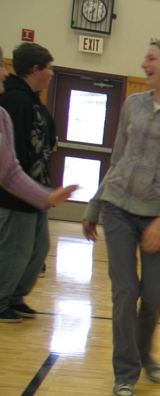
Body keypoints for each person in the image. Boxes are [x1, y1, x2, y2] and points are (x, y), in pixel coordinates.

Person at [82, 40, 160, 396]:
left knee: (153, 297)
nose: (143, 64)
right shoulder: (133, 105)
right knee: (125, 293)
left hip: (157, 217)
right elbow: (118, 159)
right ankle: (126, 372)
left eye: (151, 58)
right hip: (118, 208)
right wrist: (95, 204)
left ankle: (143, 352)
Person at [0, 42, 58, 323]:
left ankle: (15, 297)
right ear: (35, 69)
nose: (51, 74)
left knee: (38, 248)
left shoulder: (34, 101)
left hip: (35, 191)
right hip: (16, 196)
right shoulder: (14, 101)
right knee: (16, 250)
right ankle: (2, 299)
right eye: (48, 68)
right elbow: (12, 161)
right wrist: (28, 191)